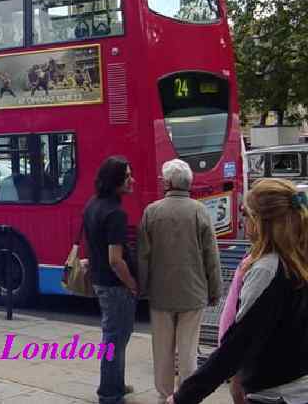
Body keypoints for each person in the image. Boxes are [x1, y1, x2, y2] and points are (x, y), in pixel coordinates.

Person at [169, 178, 308, 404]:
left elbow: (239, 342)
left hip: (275, 393)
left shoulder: (266, 268)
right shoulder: (297, 259)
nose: (243, 221)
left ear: (260, 221)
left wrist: (185, 395)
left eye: (245, 213)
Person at [138, 159, 221, 403]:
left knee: (162, 349)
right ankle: (185, 395)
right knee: (188, 350)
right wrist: (215, 289)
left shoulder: (151, 212)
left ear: (168, 182)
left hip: (161, 293)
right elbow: (211, 256)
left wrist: (143, 288)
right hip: (193, 292)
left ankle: (164, 394)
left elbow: (144, 256)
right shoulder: (200, 211)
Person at [84, 156, 138, 404]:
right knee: (116, 340)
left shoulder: (93, 204)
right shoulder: (115, 213)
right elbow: (116, 259)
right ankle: (110, 394)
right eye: (127, 176)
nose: (132, 180)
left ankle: (115, 384)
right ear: (115, 181)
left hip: (100, 281)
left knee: (113, 338)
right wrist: (132, 284)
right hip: (115, 286)